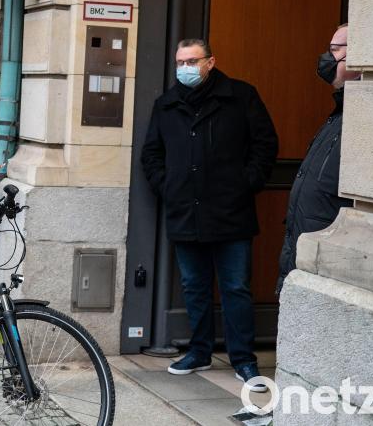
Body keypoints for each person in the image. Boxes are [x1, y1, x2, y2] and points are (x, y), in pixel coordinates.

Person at [141, 39, 278, 392]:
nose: (184, 68)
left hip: (231, 212)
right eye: (180, 61)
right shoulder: (166, 105)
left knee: (235, 287)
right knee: (194, 287)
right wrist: (168, 187)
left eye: (192, 60)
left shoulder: (241, 96)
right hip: (185, 211)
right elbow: (151, 154)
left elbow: (265, 144)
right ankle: (199, 351)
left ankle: (244, 360)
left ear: (211, 61)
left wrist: (246, 183)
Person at [276, 24, 358, 294]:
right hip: (305, 251)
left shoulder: (361, 117)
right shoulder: (339, 113)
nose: (327, 57)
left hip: (327, 259)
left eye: (334, 50)